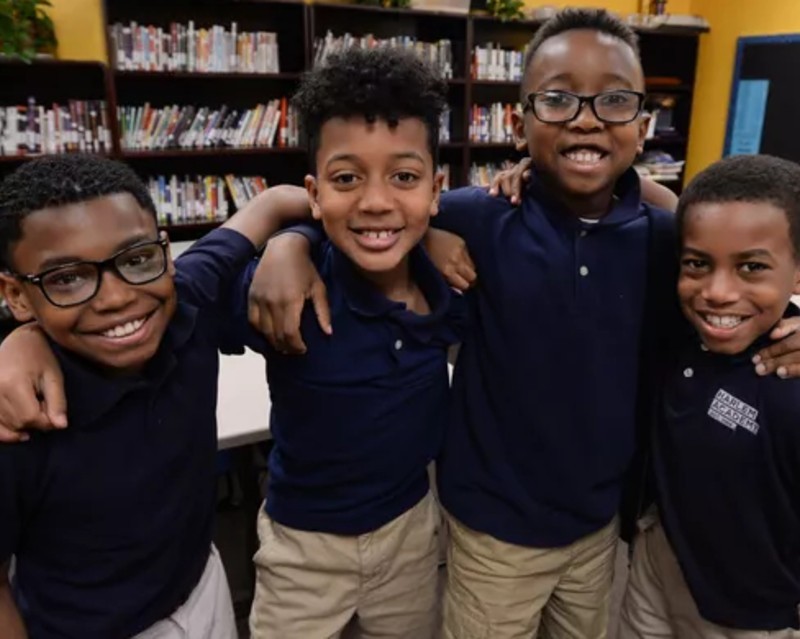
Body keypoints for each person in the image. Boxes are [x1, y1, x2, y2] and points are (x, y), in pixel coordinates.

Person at [235, 8, 800, 639]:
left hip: (596, 531)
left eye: (613, 99)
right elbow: (373, 212)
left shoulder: (667, 241)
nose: (586, 116)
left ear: (643, 128)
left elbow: (736, 282)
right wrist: (291, 243)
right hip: (490, 532)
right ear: (518, 121)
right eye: (557, 99)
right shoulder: (479, 217)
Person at [0, 47, 462, 638]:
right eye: (347, 178)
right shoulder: (237, 296)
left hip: (399, 535)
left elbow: (289, 206)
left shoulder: (452, 279)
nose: (115, 297)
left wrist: (292, 232)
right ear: (318, 191)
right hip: (300, 544)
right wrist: (25, 338)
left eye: (403, 177)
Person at [0, 154, 309, 638]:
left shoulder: (186, 300)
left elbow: (271, 206)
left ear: (163, 250)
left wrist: (292, 240)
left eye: (137, 258)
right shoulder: (16, 416)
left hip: (203, 591)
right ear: (17, 295)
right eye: (67, 278)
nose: (117, 297)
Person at [618, 154, 800, 639]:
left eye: (752, 267)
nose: (718, 292)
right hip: (656, 568)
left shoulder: (790, 370)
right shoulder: (679, 326)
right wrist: (541, 169)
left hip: (753, 612)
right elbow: (669, 205)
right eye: (697, 264)